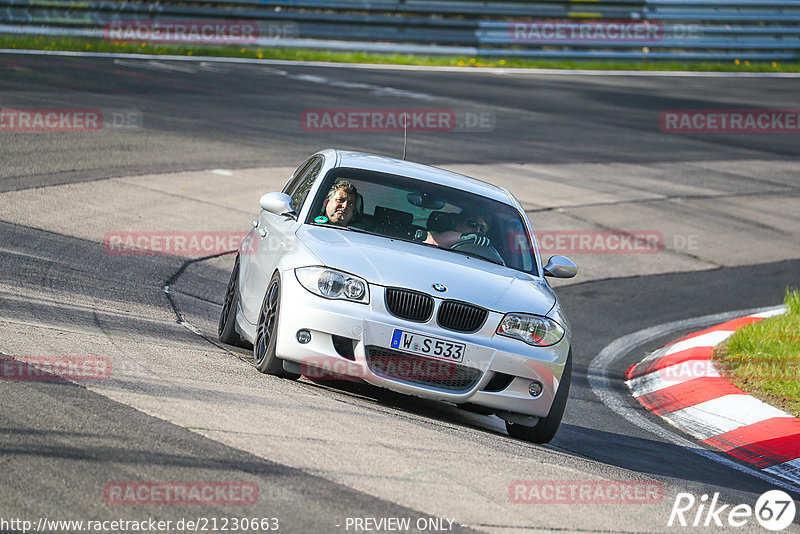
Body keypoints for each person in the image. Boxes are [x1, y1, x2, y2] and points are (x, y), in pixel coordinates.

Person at [425, 211, 490, 248]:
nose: (477, 231)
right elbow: (433, 243)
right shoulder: (434, 236)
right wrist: (464, 237)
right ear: (457, 224)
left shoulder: (489, 251)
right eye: (472, 224)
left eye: (483, 229)